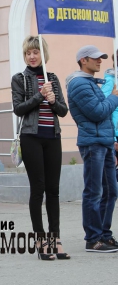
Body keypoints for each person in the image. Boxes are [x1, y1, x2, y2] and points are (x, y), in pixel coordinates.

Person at [11, 36, 69, 260]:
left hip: (53, 137)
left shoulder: (52, 78)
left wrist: (53, 101)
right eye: (28, 53)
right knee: (38, 189)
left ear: (43, 54)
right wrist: (40, 95)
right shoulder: (20, 79)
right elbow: (19, 108)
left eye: (35, 52)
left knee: (53, 190)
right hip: (31, 138)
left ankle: (56, 239)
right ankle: (40, 240)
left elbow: (63, 111)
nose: (32, 56)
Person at [66, 45, 118, 253]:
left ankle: (104, 234)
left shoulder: (92, 83)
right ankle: (93, 239)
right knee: (94, 191)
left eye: (101, 58)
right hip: (93, 143)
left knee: (111, 191)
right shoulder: (79, 84)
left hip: (104, 142)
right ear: (83, 60)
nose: (100, 61)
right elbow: (98, 113)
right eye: (95, 58)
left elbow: (104, 115)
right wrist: (114, 97)